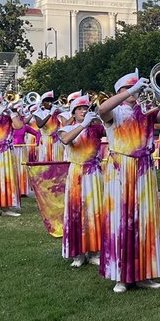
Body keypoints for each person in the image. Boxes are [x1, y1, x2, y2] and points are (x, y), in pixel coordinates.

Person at [98, 70, 160, 293]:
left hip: (144, 168)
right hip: (120, 168)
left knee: (144, 219)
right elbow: (102, 109)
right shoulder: (114, 112)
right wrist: (130, 91)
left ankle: (145, 273)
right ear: (119, 91)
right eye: (129, 88)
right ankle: (121, 276)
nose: (135, 92)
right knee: (120, 219)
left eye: (136, 88)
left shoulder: (148, 111)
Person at [58, 95, 106, 268]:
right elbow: (66, 140)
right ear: (73, 112)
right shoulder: (66, 128)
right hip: (77, 173)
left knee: (95, 210)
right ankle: (78, 253)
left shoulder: (96, 128)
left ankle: (95, 252)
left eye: (86, 108)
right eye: (80, 108)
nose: (84, 111)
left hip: (94, 173)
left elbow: (112, 130)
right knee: (76, 211)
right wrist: (84, 124)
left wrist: (100, 116)